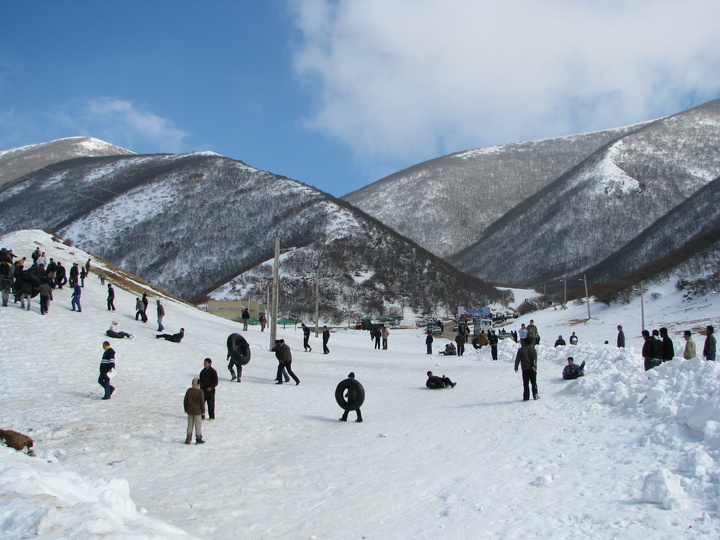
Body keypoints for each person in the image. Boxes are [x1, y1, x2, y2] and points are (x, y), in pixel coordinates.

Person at [183, 378, 205, 445]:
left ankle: (188, 439)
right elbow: (202, 402)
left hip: (190, 410)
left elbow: (185, 400)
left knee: (190, 425)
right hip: (198, 411)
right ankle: (198, 438)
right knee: (198, 425)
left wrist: (186, 409)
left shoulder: (189, 391)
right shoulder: (200, 391)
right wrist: (203, 412)